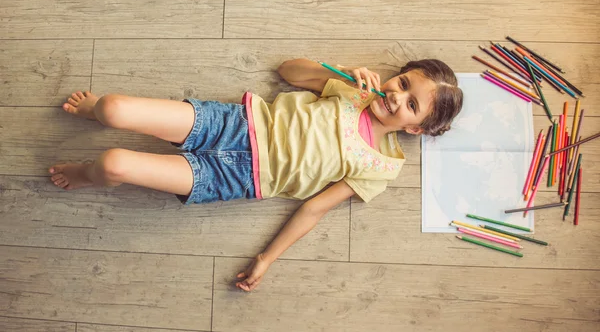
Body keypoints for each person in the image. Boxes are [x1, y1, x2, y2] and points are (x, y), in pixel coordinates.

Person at [48, 58, 463, 291]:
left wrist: (267, 258)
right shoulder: (354, 90)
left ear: (416, 129)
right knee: (112, 108)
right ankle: (94, 111)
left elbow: (314, 210)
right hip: (236, 124)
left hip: (237, 177)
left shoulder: (382, 166)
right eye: (403, 82)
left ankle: (89, 174)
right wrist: (340, 72)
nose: (396, 95)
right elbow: (289, 72)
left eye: (411, 105)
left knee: (112, 164)